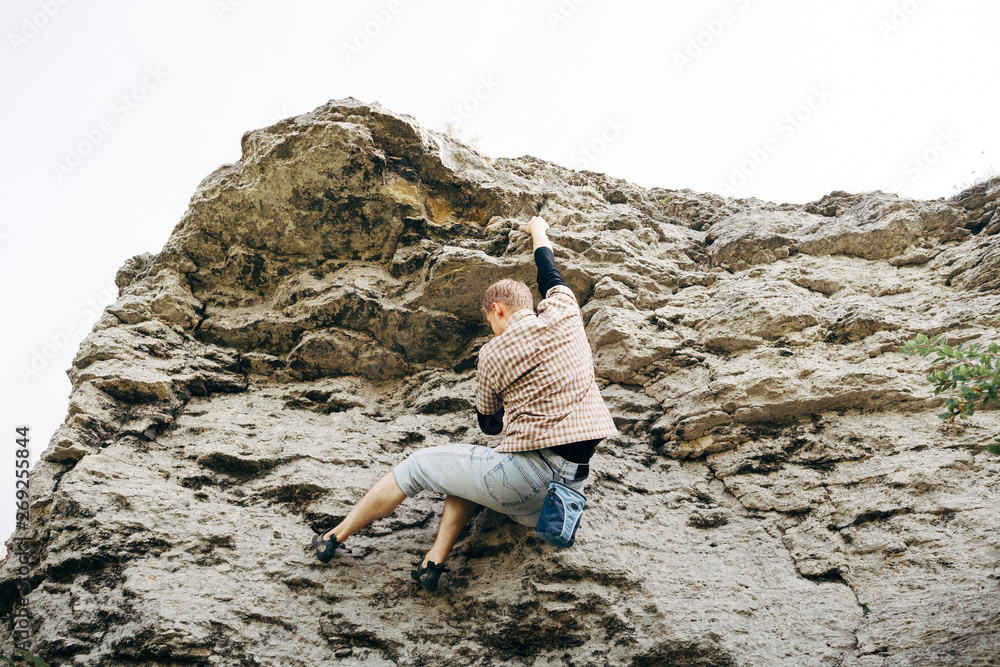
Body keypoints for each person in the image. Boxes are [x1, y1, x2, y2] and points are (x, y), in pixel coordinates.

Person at [310, 215, 619, 591]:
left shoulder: (492, 354)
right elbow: (549, 272)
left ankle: (333, 537)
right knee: (465, 471)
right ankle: (433, 563)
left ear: (497, 310)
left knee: (418, 466)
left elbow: (489, 425)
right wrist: (538, 230)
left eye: (490, 320)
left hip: (524, 482)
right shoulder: (567, 314)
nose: (492, 328)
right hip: (564, 497)